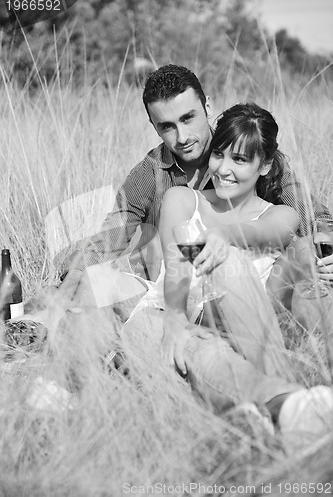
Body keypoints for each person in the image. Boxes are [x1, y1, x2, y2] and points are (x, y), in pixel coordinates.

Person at [121, 102, 333, 450]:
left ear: (264, 165)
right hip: (172, 315)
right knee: (192, 332)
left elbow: (265, 233)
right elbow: (177, 262)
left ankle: (289, 409)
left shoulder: (282, 215)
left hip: (250, 334)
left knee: (298, 269)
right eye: (218, 155)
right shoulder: (183, 200)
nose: (223, 169)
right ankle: (289, 405)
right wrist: (175, 316)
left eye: (240, 159)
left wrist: (226, 237)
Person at [52, 64, 333, 318]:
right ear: (154, 126)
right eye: (167, 127)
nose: (183, 137)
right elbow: (112, 235)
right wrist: (73, 275)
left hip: (251, 294)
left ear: (207, 106)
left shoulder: (247, 155)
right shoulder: (149, 173)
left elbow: (315, 219)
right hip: (170, 295)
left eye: (188, 118)